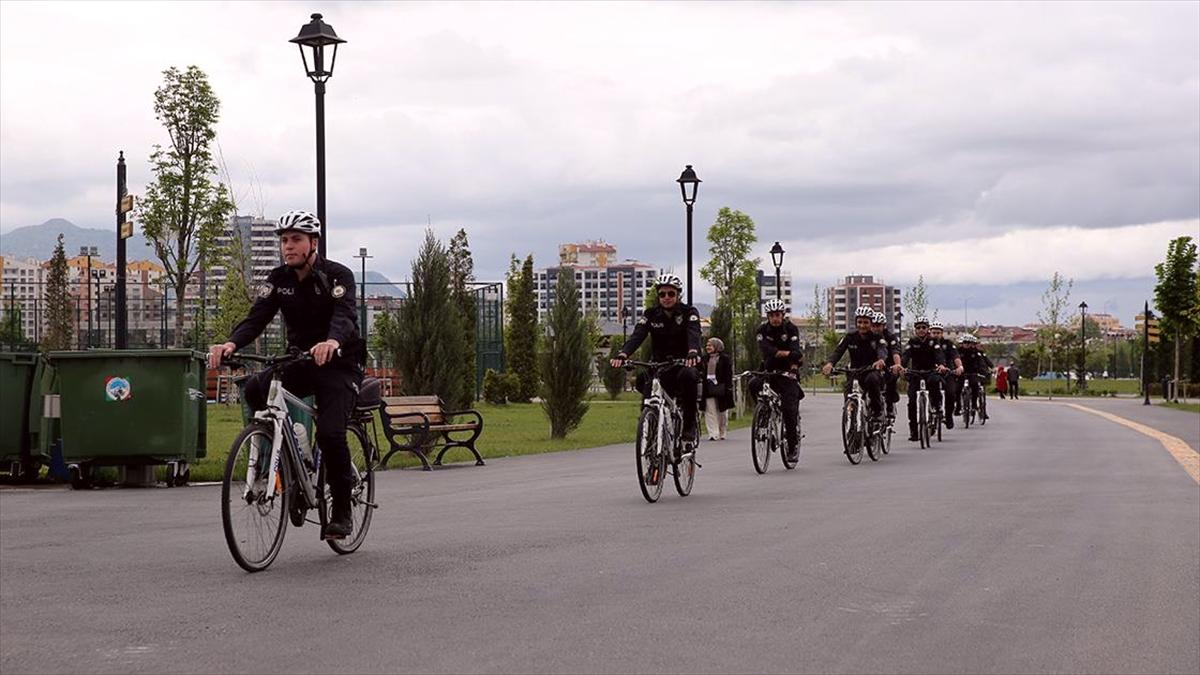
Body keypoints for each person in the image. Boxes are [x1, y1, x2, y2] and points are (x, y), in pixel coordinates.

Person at [208, 210, 365, 540]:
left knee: (331, 433)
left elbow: (345, 315)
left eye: (295, 240)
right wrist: (231, 342)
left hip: (339, 364)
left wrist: (332, 341)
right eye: (284, 241)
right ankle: (279, 464)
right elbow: (257, 318)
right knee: (253, 389)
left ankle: (341, 512)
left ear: (313, 243)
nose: (288, 247)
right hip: (301, 362)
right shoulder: (278, 279)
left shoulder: (338, 276)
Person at [611, 274, 702, 448]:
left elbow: (694, 333)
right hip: (659, 365)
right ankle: (650, 424)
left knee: (690, 377)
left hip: (683, 363)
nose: (666, 298)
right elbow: (638, 335)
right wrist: (623, 354)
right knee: (643, 382)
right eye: (662, 294)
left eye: (670, 294)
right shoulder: (651, 314)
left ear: (678, 295)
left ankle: (689, 426)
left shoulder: (689, 312)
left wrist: (692, 352)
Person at [821, 306, 889, 440]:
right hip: (854, 372)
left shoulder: (877, 337)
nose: (862, 325)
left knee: (872, 381)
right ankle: (852, 432)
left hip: (871, 371)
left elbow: (882, 350)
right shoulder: (850, 337)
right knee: (849, 397)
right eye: (860, 322)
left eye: (865, 322)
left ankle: (877, 412)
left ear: (870, 323)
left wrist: (881, 360)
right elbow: (838, 351)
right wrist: (830, 364)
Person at [749, 298, 804, 461]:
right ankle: (762, 417)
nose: (774, 318)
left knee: (789, 410)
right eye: (771, 315)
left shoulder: (791, 328)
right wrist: (785, 353)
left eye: (777, 315)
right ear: (767, 316)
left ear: (783, 315)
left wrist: (788, 357)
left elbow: (796, 352)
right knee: (753, 384)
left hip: (788, 372)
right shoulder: (762, 330)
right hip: (768, 369)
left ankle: (792, 446)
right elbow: (766, 350)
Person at [900, 316, 948, 441]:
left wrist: (942, 365)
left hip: (930, 371)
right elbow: (905, 356)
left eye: (923, 327)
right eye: (918, 328)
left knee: (935, 382)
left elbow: (939, 355)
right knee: (911, 402)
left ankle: (937, 406)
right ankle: (914, 431)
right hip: (915, 373)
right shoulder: (912, 342)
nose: (921, 330)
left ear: (927, 329)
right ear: (915, 330)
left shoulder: (933, 341)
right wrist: (902, 367)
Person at [929, 321, 963, 428]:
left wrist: (959, 367)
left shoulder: (948, 344)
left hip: (948, 372)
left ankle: (948, 416)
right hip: (932, 372)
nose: (936, 335)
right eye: (934, 333)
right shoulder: (927, 343)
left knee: (951, 393)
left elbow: (955, 356)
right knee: (931, 389)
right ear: (930, 333)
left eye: (938, 333)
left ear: (942, 333)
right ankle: (932, 409)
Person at [871, 311, 903, 419]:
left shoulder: (891, 337)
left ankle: (889, 405)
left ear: (884, 326)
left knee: (891, 380)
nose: (876, 328)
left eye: (878, 326)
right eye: (873, 325)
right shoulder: (869, 336)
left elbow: (895, 352)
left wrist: (897, 364)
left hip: (889, 364)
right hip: (872, 365)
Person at [700, 337, 734, 441]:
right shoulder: (704, 359)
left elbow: (728, 374)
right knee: (710, 411)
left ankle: (722, 430)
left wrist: (728, 386)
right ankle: (713, 433)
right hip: (707, 388)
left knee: (722, 411)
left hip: (721, 387)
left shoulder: (725, 358)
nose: (708, 347)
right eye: (707, 345)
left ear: (717, 346)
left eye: (710, 345)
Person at [957, 334, 993, 420]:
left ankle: (973, 404)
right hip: (961, 373)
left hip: (973, 373)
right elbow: (953, 361)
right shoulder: (958, 352)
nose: (967, 345)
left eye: (969, 343)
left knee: (975, 386)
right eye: (965, 343)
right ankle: (958, 406)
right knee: (957, 389)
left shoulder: (976, 352)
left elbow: (982, 363)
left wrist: (985, 371)